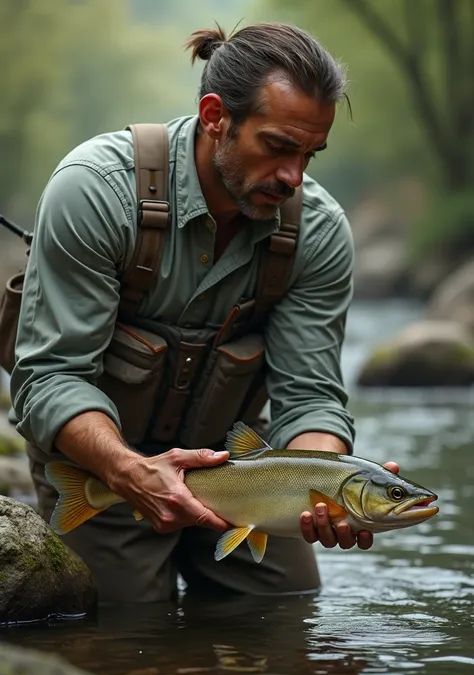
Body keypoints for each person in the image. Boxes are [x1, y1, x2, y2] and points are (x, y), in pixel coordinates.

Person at [10, 22, 398, 603]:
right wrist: (129, 472)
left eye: (310, 154)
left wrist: (328, 483)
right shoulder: (93, 191)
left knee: (289, 622)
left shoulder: (317, 231)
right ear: (216, 116)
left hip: (251, 478)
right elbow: (49, 378)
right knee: (124, 637)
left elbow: (310, 394)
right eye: (277, 147)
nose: (294, 177)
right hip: (101, 466)